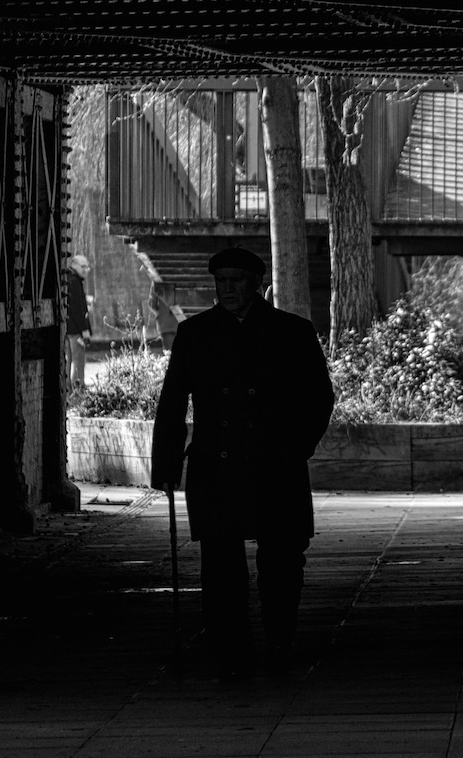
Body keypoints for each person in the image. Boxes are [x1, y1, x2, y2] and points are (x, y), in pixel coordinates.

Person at [150, 247, 335, 681]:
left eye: (236, 280)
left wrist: (297, 447)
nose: (228, 288)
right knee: (220, 565)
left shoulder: (291, 332)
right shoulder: (195, 334)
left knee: (283, 561)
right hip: (218, 463)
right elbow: (173, 401)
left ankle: (279, 639)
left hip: (275, 463)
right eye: (221, 281)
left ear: (256, 283)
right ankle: (230, 647)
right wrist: (165, 465)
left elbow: (318, 397)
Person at [64, 254, 92, 390]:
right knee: (78, 361)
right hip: (76, 330)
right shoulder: (75, 282)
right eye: (83, 266)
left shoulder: (67, 279)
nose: (86, 269)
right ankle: (79, 390)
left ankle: (68, 391)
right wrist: (85, 330)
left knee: (68, 361)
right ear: (74, 265)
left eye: (87, 267)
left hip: (67, 329)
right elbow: (77, 309)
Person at [147, 280, 179, 350]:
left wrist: (161, 313)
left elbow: (151, 303)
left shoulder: (157, 278)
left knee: (169, 354)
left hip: (165, 324)